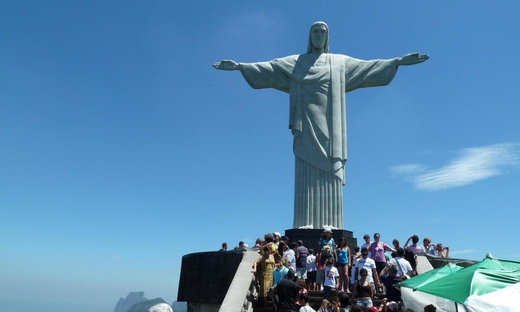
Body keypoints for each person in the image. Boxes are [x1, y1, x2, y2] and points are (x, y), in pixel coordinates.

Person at [213, 21, 429, 230]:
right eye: (314, 31)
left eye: (322, 31)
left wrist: (397, 61)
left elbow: (368, 67)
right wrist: (240, 66)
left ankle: (333, 224)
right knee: (306, 167)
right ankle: (303, 223)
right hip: (305, 122)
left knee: (330, 167)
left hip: (331, 124)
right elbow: (269, 68)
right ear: (310, 36)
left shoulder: (339, 62)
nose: (318, 35)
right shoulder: (296, 62)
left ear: (327, 37)